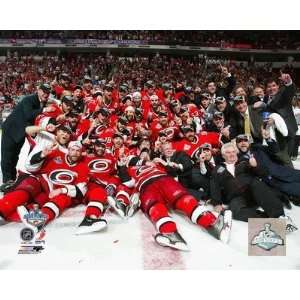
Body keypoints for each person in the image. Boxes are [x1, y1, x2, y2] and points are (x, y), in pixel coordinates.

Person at [117, 150, 232, 251]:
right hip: (158, 182)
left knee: (159, 205)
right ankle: (212, 222)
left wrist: (164, 164)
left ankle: (170, 232)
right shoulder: (150, 165)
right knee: (176, 200)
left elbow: (128, 182)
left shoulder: (145, 166)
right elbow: (172, 175)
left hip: (152, 184)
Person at [210, 143, 297, 232]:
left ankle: (279, 216)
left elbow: (263, 174)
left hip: (252, 191)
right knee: (235, 211)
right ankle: (270, 220)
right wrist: (216, 203)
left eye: (233, 152)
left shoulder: (244, 162)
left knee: (256, 183)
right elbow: (214, 186)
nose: (231, 154)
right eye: (228, 153)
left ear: (236, 153)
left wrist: (255, 166)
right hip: (236, 196)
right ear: (223, 155)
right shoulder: (218, 169)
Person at [0, 83, 51, 192]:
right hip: (10, 130)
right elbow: (28, 115)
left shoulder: (43, 102)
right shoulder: (28, 100)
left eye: (48, 92)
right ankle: (6, 182)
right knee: (7, 157)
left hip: (21, 132)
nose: (46, 94)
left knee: (15, 156)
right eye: (44, 92)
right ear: (39, 90)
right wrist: (44, 110)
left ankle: (12, 180)